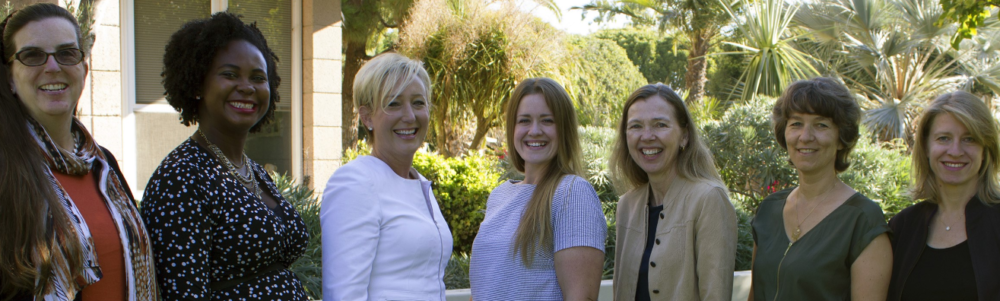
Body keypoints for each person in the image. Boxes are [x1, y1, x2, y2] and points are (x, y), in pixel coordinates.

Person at [139, 12, 309, 300]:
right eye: (230, 74)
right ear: (196, 85)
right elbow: (183, 294)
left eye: (258, 77)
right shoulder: (181, 178)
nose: (247, 86)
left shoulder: (251, 170)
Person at [0, 4, 159, 301]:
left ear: (83, 69)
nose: (52, 67)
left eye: (66, 53)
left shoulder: (103, 164)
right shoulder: (6, 169)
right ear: (10, 78)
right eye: (32, 56)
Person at [320, 52, 453, 301]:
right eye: (393, 103)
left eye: (418, 102)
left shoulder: (419, 182)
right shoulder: (356, 183)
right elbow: (344, 295)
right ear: (367, 116)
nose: (409, 116)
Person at [748, 78, 892, 301]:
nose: (805, 136)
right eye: (796, 123)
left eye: (821, 125)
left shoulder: (862, 221)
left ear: (842, 138)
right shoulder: (768, 209)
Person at [469, 78, 607, 301]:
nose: (534, 131)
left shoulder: (572, 193)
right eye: (524, 120)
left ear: (564, 130)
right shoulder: (499, 196)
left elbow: (581, 297)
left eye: (547, 121)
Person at [610, 83, 737, 301]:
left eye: (660, 125)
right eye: (636, 126)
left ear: (684, 136)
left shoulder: (708, 199)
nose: (647, 136)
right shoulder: (627, 205)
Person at [886, 91, 1000, 301]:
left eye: (969, 139)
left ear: (986, 149)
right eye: (944, 138)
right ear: (926, 147)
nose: (955, 151)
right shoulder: (902, 227)